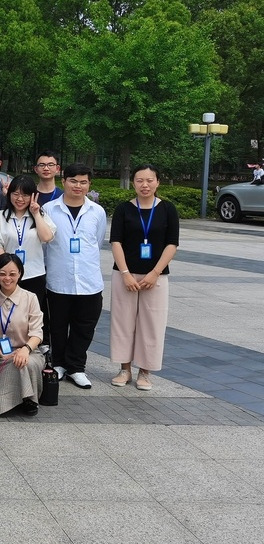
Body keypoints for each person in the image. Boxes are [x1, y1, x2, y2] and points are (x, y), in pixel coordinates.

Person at [109, 164, 180, 391]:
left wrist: (155, 273)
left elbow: (172, 244)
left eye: (150, 180)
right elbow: (116, 242)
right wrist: (125, 274)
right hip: (125, 275)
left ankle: (145, 371)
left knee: (152, 324)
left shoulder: (168, 209)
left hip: (156, 277)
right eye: (140, 180)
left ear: (158, 182)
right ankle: (124, 369)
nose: (145, 185)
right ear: (133, 183)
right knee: (123, 322)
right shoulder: (123, 209)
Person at [42, 162, 106, 389]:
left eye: (83, 182)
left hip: (89, 281)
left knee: (84, 327)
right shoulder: (49, 209)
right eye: (73, 181)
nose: (78, 186)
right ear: (63, 181)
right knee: (57, 325)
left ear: (89, 185)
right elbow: (44, 244)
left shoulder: (97, 212)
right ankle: (59, 364)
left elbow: (98, 241)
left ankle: (77, 367)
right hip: (59, 279)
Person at [0, 253, 45, 416]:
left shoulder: (30, 298)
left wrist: (25, 350)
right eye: (2, 274)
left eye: (12, 274)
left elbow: (37, 332)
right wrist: (1, 353)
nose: (7, 278)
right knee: (13, 363)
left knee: (26, 363)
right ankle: (25, 398)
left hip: (29, 350)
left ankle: (28, 399)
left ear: (20, 274)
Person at [0, 175, 55, 310]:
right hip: (9, 277)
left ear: (33, 196)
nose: (20, 199)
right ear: (9, 194)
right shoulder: (0, 216)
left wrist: (36, 214)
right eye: (15, 194)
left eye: (25, 195)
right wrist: (7, 272)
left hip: (34, 274)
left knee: (32, 314)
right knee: (8, 314)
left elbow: (47, 237)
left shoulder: (40, 215)